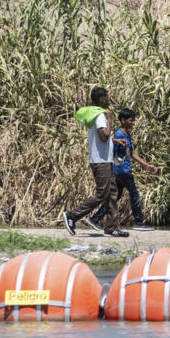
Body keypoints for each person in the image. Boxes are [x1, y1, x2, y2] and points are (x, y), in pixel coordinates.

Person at [62, 87, 129, 238]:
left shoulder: (97, 114)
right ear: (101, 99)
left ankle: (111, 227)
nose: (110, 98)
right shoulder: (100, 116)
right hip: (100, 161)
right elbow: (104, 136)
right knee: (102, 193)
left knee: (112, 193)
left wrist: (114, 140)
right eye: (107, 96)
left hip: (105, 159)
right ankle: (72, 216)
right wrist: (110, 118)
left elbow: (102, 139)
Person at [85, 108, 158, 232]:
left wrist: (147, 165)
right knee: (134, 194)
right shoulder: (119, 134)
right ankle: (139, 222)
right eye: (131, 120)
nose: (133, 123)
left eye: (134, 120)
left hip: (121, 170)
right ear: (122, 120)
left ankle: (95, 218)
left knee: (116, 196)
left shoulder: (126, 134)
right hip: (122, 170)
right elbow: (109, 146)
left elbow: (132, 153)